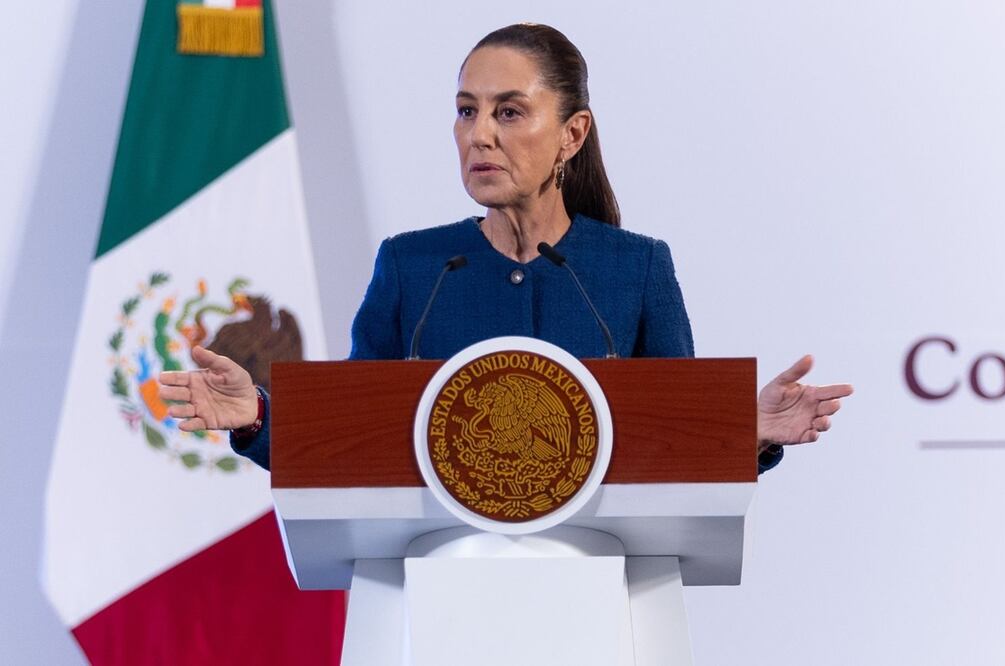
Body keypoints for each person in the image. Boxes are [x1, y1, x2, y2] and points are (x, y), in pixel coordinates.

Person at [159, 23, 853, 473]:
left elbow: (673, 447)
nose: (478, 134)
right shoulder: (413, 268)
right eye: (467, 110)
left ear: (571, 136)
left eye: (508, 112)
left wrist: (746, 431)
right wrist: (256, 417)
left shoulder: (634, 268)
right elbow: (349, 443)